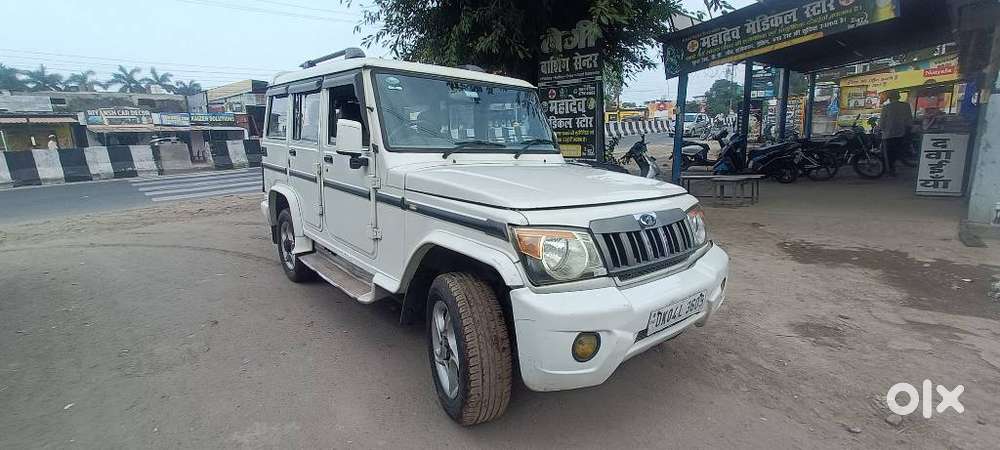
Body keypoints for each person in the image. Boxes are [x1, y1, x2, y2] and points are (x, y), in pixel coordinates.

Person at [880, 90, 912, 176]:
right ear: (899, 97)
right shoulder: (906, 106)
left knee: (889, 153)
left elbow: (882, 122)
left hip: (888, 134)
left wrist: (881, 129)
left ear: (889, 98)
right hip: (901, 133)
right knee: (897, 151)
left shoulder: (886, 107)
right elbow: (909, 120)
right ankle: (894, 167)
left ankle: (891, 170)